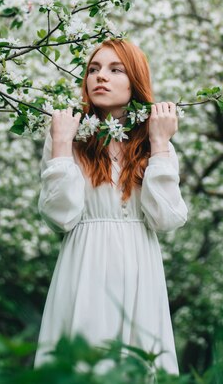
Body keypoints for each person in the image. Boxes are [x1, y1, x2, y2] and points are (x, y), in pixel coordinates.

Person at [34, 38, 188, 374]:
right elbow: (61, 216)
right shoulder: (69, 135)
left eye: (115, 69)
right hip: (84, 263)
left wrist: (160, 142)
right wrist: (61, 144)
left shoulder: (152, 140)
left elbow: (166, 218)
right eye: (93, 69)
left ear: (135, 81)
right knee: (81, 364)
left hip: (139, 265)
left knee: (138, 363)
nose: (100, 77)